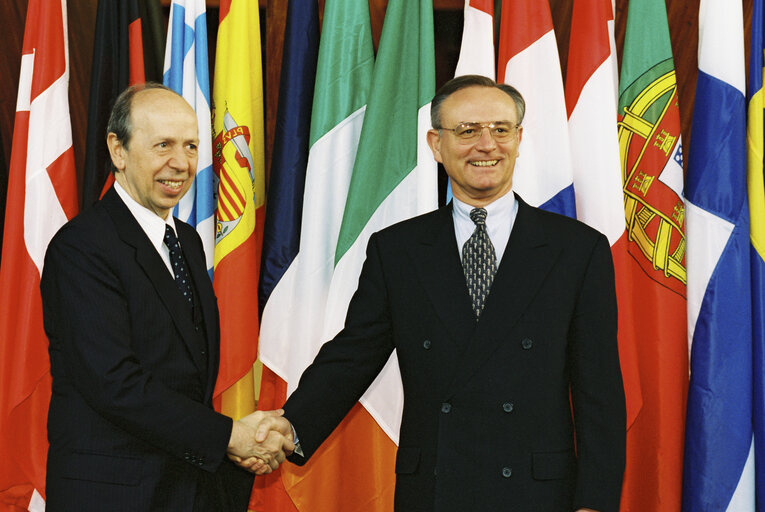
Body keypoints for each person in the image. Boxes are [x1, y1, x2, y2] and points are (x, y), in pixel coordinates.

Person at [254, 75, 626, 511]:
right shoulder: (398, 249)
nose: (487, 145)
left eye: (501, 130)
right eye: (467, 131)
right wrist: (290, 426)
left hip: (537, 491)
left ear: (519, 139)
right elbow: (353, 355)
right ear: (435, 144)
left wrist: (595, 502)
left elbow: (599, 391)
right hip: (434, 489)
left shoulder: (577, 249)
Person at [40, 83, 292, 511]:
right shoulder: (82, 248)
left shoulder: (188, 242)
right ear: (117, 151)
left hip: (185, 488)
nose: (181, 163)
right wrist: (230, 437)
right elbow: (115, 384)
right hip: (112, 494)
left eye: (191, 146)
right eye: (163, 145)